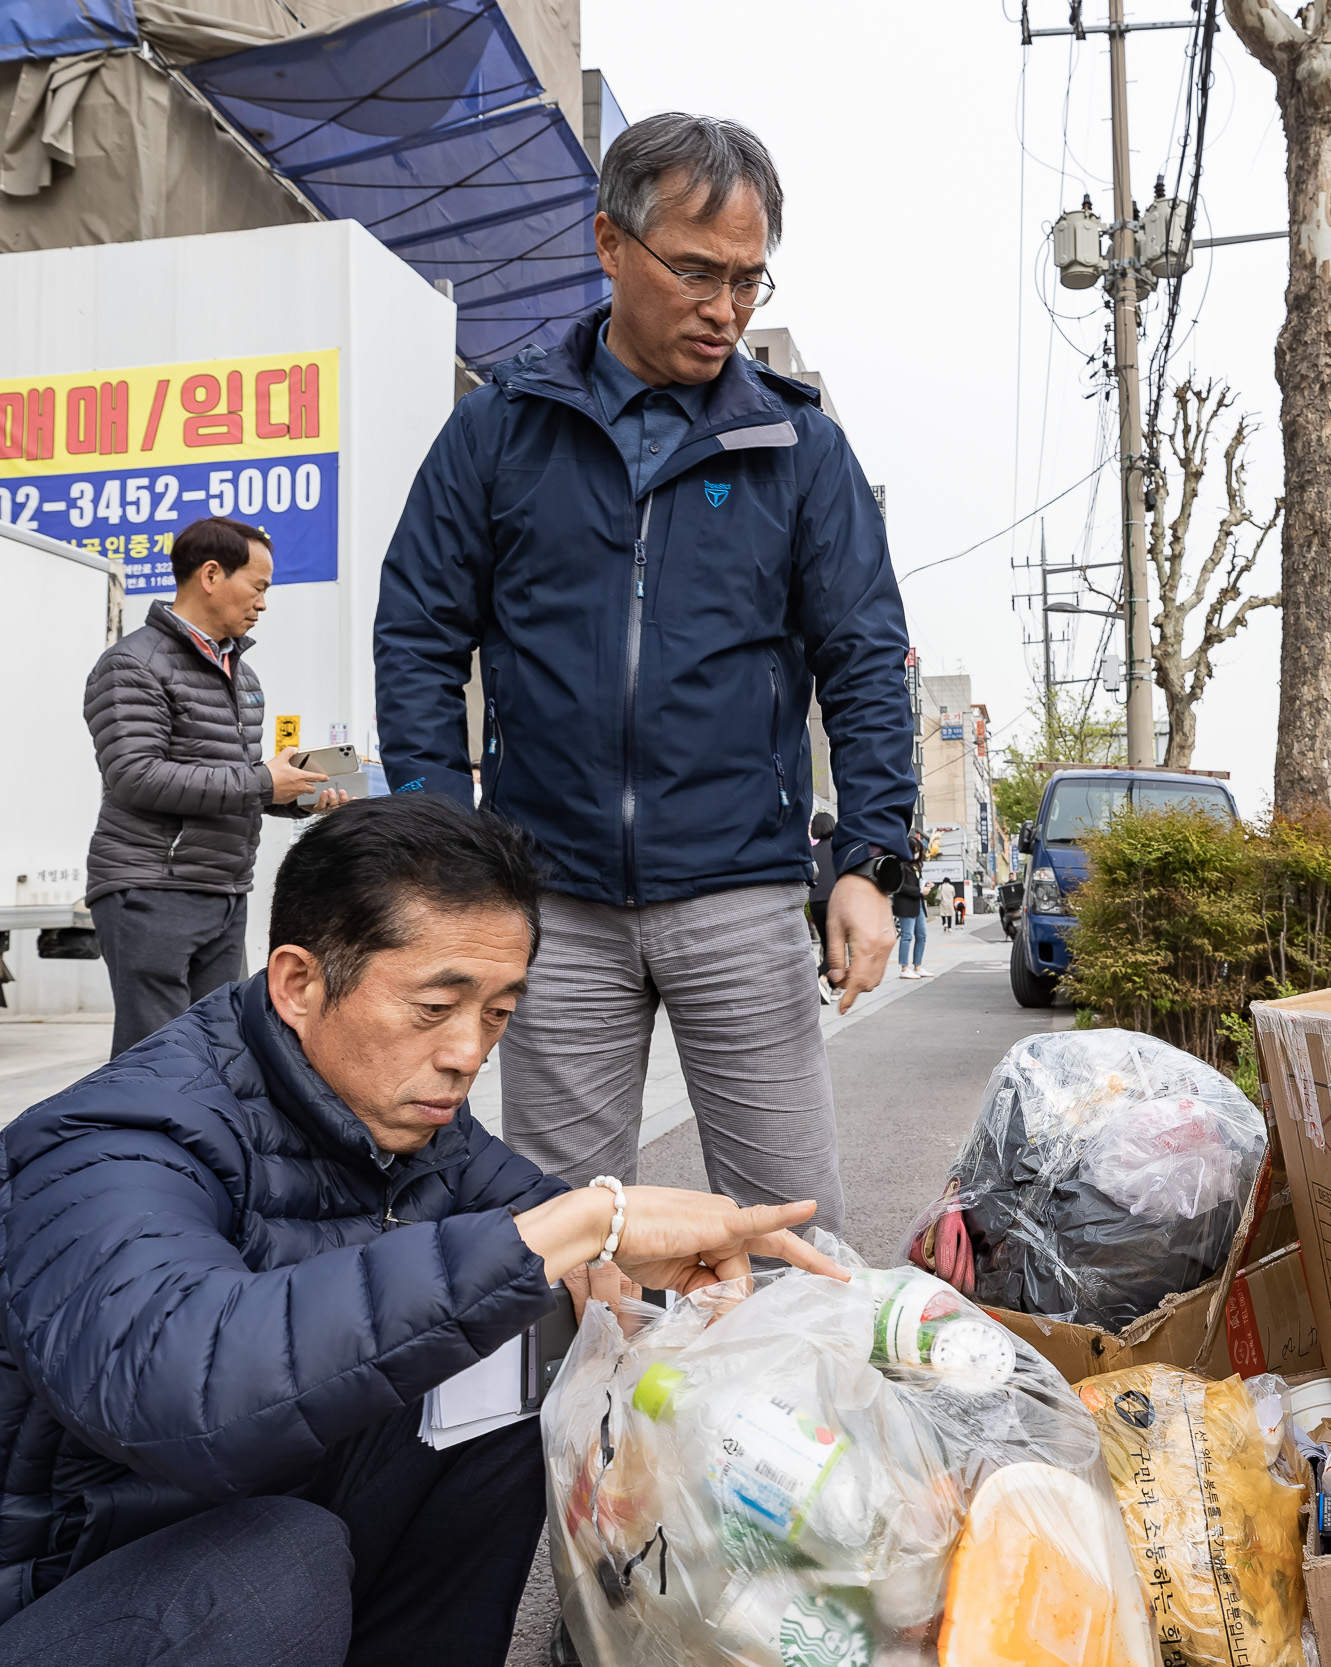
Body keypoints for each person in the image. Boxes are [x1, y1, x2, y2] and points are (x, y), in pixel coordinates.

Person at [0, 795, 844, 1667]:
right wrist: (577, 1220)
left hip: (180, 1541)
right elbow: (182, 1385)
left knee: (521, 1345)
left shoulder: (406, 1119)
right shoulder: (112, 1140)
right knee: (278, 1564)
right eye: (437, 1005)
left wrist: (753, 1348)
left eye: (497, 1013)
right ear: (300, 981)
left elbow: (545, 1252)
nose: (465, 1051)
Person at [375, 113, 912, 1239]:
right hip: (551, 901)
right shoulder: (499, 431)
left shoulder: (798, 449)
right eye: (698, 273)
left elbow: (863, 656)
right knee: (563, 1234)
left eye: (750, 282)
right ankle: (581, 1424)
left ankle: (790, 1420)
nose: (726, 310)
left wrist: (868, 859)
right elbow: (420, 631)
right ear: (611, 244)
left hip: (740, 894)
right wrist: (443, 841)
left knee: (791, 1229)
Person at [83, 517, 348, 1058]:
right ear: (210, 575)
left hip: (223, 888)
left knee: (226, 1050)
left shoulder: (241, 675)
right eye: (258, 586)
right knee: (158, 1056)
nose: (264, 604)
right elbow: (136, 776)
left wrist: (296, 795)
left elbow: (232, 780)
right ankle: (141, 1146)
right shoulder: (132, 664)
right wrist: (261, 780)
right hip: (152, 886)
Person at [807, 808, 838, 1003]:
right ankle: (816, 979)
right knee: (835, 946)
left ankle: (831, 986)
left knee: (828, 945)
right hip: (834, 902)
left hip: (815, 902)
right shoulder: (838, 849)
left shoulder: (810, 852)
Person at [894, 834, 929, 979]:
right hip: (906, 905)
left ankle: (918, 965)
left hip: (918, 903)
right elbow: (899, 886)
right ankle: (904, 968)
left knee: (922, 935)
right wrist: (920, 891)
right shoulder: (900, 865)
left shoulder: (917, 865)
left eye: (918, 850)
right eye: (914, 850)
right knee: (907, 936)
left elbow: (916, 883)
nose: (916, 853)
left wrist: (925, 886)